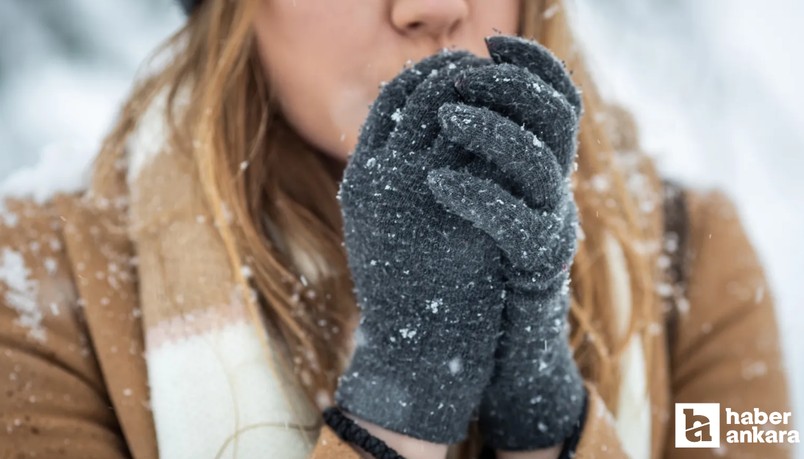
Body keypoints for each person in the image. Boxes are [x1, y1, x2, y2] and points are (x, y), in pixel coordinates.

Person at [0, 0, 793, 458]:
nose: (434, 5)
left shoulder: (695, 261)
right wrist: (399, 400)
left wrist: (548, 426)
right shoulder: (38, 289)